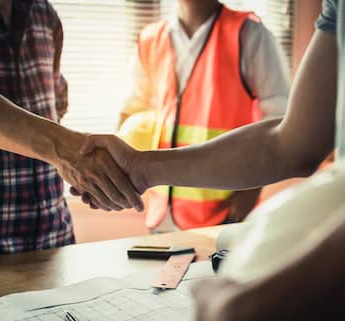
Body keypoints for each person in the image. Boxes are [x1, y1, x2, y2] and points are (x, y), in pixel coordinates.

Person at [80, 0, 345, 319]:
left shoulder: (247, 32)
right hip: (169, 218)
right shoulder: (342, 5)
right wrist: (140, 167)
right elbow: (290, 143)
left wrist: (284, 286)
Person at [0, 0, 143, 265]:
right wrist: (69, 150)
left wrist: (84, 159)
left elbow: (55, 107)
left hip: (54, 249)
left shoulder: (43, 13)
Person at [117, 0, 290, 232]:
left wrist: (250, 192)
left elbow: (279, 123)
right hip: (161, 216)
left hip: (226, 215)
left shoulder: (248, 34)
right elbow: (131, 113)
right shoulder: (150, 39)